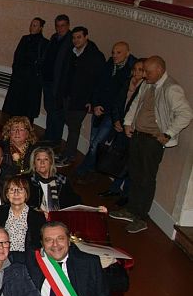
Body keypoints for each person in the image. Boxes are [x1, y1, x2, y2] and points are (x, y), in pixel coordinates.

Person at [112, 56, 192, 234]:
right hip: (137, 135)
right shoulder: (147, 84)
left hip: (152, 141)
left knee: (146, 178)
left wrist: (168, 133)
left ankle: (141, 217)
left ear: (159, 70)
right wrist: (128, 123)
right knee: (134, 174)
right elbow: (136, 104)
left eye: (148, 72)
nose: (144, 75)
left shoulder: (171, 88)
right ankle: (131, 209)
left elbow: (186, 113)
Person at [75, 42, 136, 180]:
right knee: (93, 141)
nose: (115, 55)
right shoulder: (108, 66)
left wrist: (114, 115)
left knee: (96, 143)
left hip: (111, 114)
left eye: (119, 52)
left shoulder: (130, 71)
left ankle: (84, 168)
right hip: (99, 110)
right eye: (113, 52)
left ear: (127, 53)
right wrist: (95, 104)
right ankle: (91, 168)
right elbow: (98, 85)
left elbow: (121, 97)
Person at [56, 26, 107, 167]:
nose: (76, 40)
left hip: (82, 100)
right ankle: (67, 153)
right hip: (68, 96)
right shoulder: (71, 53)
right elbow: (64, 74)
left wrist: (92, 101)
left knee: (74, 127)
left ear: (86, 37)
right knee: (70, 125)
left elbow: (99, 81)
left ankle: (69, 156)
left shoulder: (96, 56)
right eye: (74, 38)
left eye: (79, 37)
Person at [99, 58, 147, 202]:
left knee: (130, 163)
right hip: (121, 125)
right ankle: (115, 188)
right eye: (135, 69)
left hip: (134, 130)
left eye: (140, 70)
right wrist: (117, 120)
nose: (136, 72)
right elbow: (117, 102)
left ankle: (126, 194)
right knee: (119, 159)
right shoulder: (127, 83)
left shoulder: (146, 87)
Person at [2, 17, 49, 120]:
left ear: (40, 28)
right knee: (15, 107)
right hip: (19, 78)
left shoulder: (44, 43)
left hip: (32, 81)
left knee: (28, 110)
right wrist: (16, 71)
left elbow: (43, 62)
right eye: (31, 25)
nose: (32, 27)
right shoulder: (25, 39)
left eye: (35, 25)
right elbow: (17, 56)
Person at [0, 176, 46, 253]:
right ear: (7, 195)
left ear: (26, 194)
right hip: (4, 256)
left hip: (29, 257)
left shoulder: (37, 217)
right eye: (12, 190)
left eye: (20, 189)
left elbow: (41, 244)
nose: (16, 193)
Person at [43, 14, 73, 143]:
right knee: (49, 109)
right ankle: (48, 135)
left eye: (63, 26)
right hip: (48, 80)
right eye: (58, 26)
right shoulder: (54, 38)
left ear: (68, 26)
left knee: (58, 112)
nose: (60, 28)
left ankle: (55, 140)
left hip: (59, 84)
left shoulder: (71, 41)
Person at [26, 146, 82, 212]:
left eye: (46, 159)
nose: (42, 162)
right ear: (34, 163)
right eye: (38, 159)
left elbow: (74, 201)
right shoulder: (28, 182)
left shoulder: (62, 180)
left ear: (51, 162)